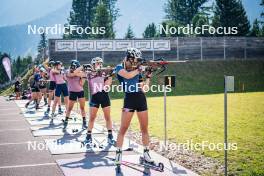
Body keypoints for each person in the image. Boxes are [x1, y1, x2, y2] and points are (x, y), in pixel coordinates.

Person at [114, 48, 153, 165]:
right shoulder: (119, 67)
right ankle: (118, 154)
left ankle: (146, 153)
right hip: (129, 100)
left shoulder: (137, 70)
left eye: (137, 61)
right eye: (134, 60)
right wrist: (139, 69)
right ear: (128, 58)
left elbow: (145, 89)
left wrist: (148, 78)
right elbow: (128, 76)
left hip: (141, 99)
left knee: (144, 128)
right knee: (123, 128)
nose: (135, 63)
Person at [83, 57, 114, 145]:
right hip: (95, 97)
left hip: (104, 95)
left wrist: (110, 75)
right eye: (97, 63)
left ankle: (110, 136)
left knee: (107, 117)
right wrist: (83, 67)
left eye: (100, 63)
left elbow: (107, 85)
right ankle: (88, 137)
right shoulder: (89, 74)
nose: (99, 65)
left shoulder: (104, 72)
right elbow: (77, 73)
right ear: (93, 64)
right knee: (92, 118)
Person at [62, 60, 87, 130]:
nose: (74, 68)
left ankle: (84, 122)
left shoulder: (79, 72)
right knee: (69, 108)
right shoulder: (67, 72)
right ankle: (66, 121)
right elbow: (71, 74)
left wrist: (83, 76)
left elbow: (81, 84)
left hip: (80, 91)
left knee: (82, 108)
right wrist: (81, 70)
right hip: (72, 92)